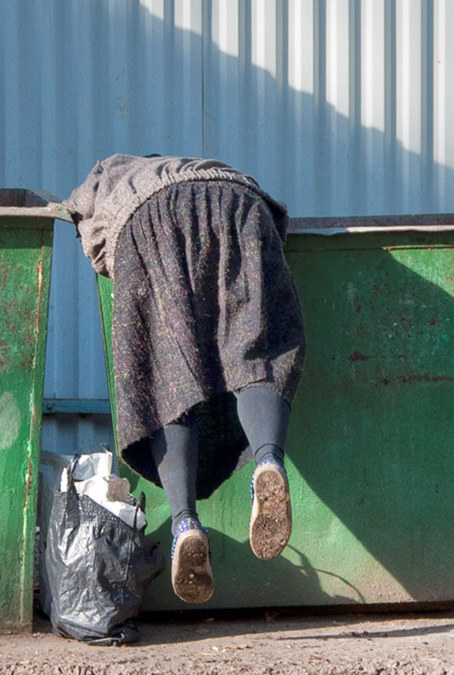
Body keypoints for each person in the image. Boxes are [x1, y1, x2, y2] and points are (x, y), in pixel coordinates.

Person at [65, 154, 305, 604]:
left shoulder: (102, 183)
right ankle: (269, 461)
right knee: (258, 349)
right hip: (239, 205)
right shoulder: (206, 167)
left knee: (165, 382)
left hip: (151, 223)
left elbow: (94, 241)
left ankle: (184, 524)